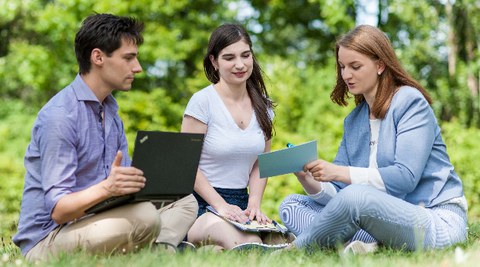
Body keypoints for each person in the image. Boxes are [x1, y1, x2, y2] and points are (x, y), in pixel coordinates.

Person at [13, 13, 198, 262]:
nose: (138, 68)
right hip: (50, 239)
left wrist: (151, 181)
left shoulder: (110, 110)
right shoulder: (60, 116)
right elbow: (59, 211)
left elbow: (122, 183)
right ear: (98, 57)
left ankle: (159, 252)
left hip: (98, 220)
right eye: (129, 58)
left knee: (185, 200)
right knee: (145, 217)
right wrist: (108, 188)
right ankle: (157, 250)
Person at [278, 24, 468, 254]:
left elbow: (405, 177)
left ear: (380, 65)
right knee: (292, 205)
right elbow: (337, 196)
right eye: (342, 67)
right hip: (380, 219)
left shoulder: (410, 102)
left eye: (355, 66)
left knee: (355, 196)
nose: (346, 75)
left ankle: (295, 250)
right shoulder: (354, 121)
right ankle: (363, 244)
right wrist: (309, 179)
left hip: (434, 218)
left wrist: (339, 172)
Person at [181, 23, 284, 250]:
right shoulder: (202, 102)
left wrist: (254, 204)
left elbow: (261, 162)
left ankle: (211, 251)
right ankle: (202, 244)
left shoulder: (264, 107)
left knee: (280, 240)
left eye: (245, 55)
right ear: (214, 62)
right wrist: (220, 206)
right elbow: (187, 164)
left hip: (241, 202)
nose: (240, 64)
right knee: (249, 244)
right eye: (229, 58)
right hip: (200, 203)